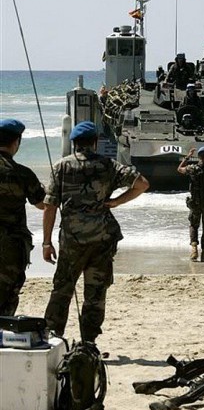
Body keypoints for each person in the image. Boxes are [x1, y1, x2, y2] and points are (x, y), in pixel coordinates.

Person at [42, 121, 149, 342]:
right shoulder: (109, 165)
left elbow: (50, 206)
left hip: (72, 240)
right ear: (95, 142)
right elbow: (142, 184)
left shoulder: (61, 167)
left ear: (73, 143)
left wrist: (46, 242)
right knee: (96, 292)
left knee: (62, 290)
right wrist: (117, 201)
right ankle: (89, 341)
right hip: (101, 238)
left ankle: (53, 337)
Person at [0, 119, 45, 315]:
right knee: (7, 296)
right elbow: (43, 204)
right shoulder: (22, 174)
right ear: (16, 142)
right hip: (10, 245)